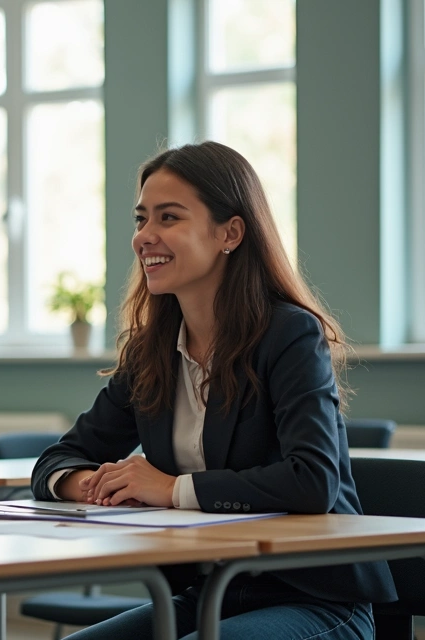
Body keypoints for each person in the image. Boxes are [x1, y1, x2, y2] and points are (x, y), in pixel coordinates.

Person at [31, 142, 397, 639]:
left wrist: (169, 489)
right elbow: (58, 460)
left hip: (318, 598)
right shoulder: (150, 353)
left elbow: (312, 481)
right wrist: (95, 485)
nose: (145, 237)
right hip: (211, 595)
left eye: (169, 218)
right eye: (141, 219)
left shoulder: (289, 335)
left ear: (230, 232)